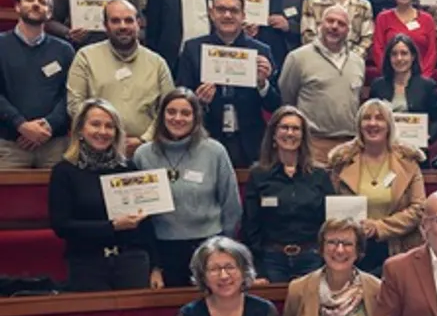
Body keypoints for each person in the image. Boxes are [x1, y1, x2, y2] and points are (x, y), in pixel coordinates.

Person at [132, 87, 241, 287]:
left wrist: (223, 248)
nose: (178, 118)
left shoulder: (214, 151)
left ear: (196, 117)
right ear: (161, 115)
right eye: (171, 112)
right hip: (163, 250)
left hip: (208, 246)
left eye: (185, 113)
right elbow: (140, 217)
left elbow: (231, 203)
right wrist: (154, 265)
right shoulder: (143, 155)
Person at [48, 98, 154, 290]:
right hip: (86, 264)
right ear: (80, 129)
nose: (103, 132)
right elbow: (61, 225)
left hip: (131, 261)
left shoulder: (128, 168)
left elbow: (147, 223)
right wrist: (112, 226)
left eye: (109, 126)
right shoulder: (64, 171)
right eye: (95, 124)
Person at [176, 0, 278, 167]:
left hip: (249, 142)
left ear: (243, 15)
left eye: (234, 11)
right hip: (206, 137)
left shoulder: (261, 51)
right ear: (211, 13)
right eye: (221, 10)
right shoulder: (192, 49)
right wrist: (198, 101)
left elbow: (275, 104)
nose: (228, 15)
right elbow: (181, 96)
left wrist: (263, 84)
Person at [66, 0, 173, 154]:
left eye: (129, 20)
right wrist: (104, 137)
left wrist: (144, 140)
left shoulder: (157, 63)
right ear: (105, 25)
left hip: (145, 151)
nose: (123, 26)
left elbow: (168, 108)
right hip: (97, 148)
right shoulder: (85, 57)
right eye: (115, 21)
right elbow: (75, 106)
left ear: (139, 23)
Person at [328, 99, 426, 272]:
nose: (372, 123)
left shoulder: (408, 161)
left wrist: (378, 227)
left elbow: (419, 208)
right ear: (359, 125)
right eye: (366, 118)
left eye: (379, 118)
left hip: (398, 246)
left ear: (389, 125)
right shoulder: (341, 161)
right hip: (351, 248)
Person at [243, 106, 333, 282]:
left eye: (296, 128)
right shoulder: (258, 175)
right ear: (274, 134)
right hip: (272, 260)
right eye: (284, 127)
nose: (290, 133)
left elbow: (329, 222)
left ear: (303, 135)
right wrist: (258, 269)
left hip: (312, 258)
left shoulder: (319, 175)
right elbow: (251, 226)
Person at [277, 5, 366, 166]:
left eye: (341, 24)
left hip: (349, 146)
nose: (334, 27)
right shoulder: (298, 58)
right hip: (312, 144)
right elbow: (287, 99)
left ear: (348, 31)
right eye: (330, 21)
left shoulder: (358, 62)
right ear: (320, 25)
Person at [0, 0, 73, 169]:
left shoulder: (64, 50)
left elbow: (71, 95)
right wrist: (21, 125)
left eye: (42, 2)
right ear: (17, 6)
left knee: (58, 198)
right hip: (10, 143)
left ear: (49, 12)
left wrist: (49, 125)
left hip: (54, 144)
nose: (36, 4)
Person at [368, 34, 437, 153]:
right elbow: (370, 118)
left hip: (415, 151)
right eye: (394, 54)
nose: (399, 58)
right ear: (388, 58)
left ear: (413, 56)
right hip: (383, 151)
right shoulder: (378, 86)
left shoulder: (427, 86)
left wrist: (428, 136)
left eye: (404, 53)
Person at [370, 0, 437, 77]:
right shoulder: (383, 18)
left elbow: (432, 52)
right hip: (391, 78)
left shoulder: (427, 19)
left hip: (421, 79)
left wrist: (423, 78)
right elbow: (377, 49)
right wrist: (389, 74)